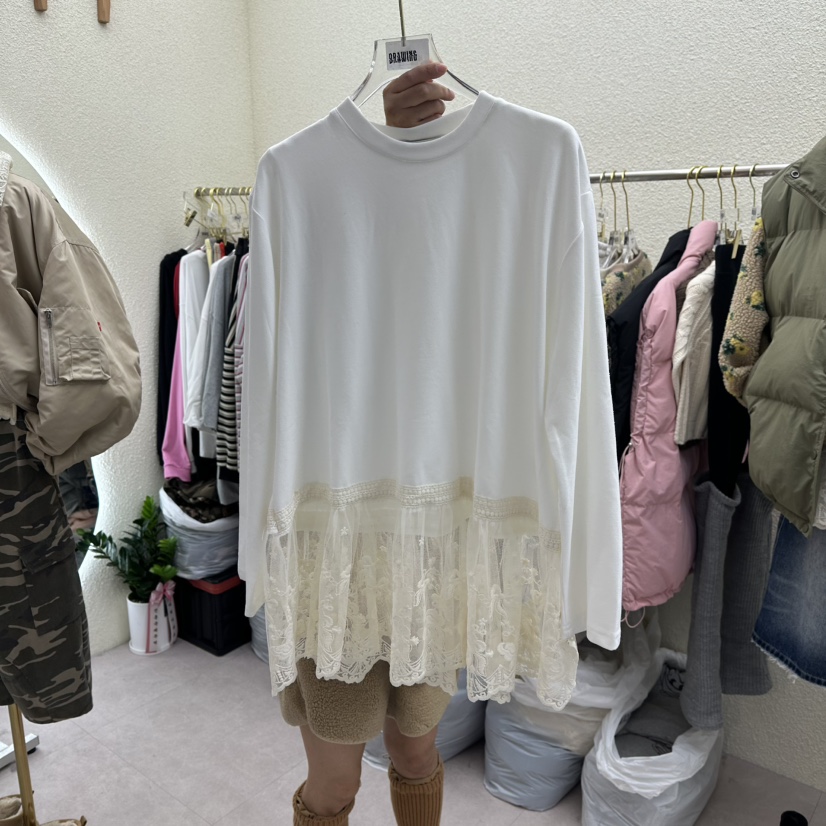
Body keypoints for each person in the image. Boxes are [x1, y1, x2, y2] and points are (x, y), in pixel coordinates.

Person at [289, 62, 458, 826]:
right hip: (336, 555)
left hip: (429, 543)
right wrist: (381, 151)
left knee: (417, 750)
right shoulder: (313, 197)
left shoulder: (471, 213)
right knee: (335, 784)